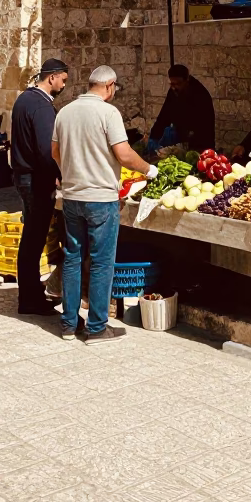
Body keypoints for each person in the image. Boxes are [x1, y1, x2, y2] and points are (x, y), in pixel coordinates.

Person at [52, 65, 157, 344]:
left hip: (72, 197)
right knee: (101, 262)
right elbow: (124, 154)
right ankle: (97, 328)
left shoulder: (65, 112)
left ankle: (68, 324)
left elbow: (54, 151)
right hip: (100, 199)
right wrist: (149, 170)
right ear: (109, 86)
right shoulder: (109, 113)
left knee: (72, 258)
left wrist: (71, 172)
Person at [10, 57, 69, 315]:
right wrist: (59, 175)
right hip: (36, 181)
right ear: (52, 77)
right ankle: (30, 299)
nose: (64, 85)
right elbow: (47, 150)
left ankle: (30, 293)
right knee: (34, 239)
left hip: (24, 176)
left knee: (31, 238)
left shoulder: (23, 99)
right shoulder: (42, 106)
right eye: (63, 80)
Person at [148, 64, 215, 152]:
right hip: (181, 139)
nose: (175, 87)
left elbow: (204, 127)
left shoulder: (201, 95)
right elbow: (164, 116)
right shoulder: (174, 91)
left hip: (201, 142)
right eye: (172, 84)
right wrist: (154, 136)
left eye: (178, 84)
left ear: (187, 80)